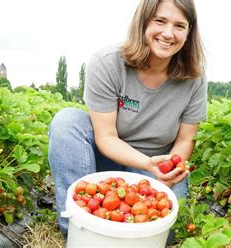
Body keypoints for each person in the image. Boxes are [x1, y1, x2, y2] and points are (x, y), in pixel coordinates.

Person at [48, 0, 207, 238]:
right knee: (66, 122)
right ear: (143, 22)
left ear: (189, 33)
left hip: (157, 165)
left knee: (164, 231)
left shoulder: (194, 77)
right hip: (107, 156)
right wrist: (146, 163)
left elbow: (186, 140)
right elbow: (107, 137)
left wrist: (165, 176)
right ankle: (77, 229)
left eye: (179, 26)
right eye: (160, 21)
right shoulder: (107, 63)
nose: (168, 33)